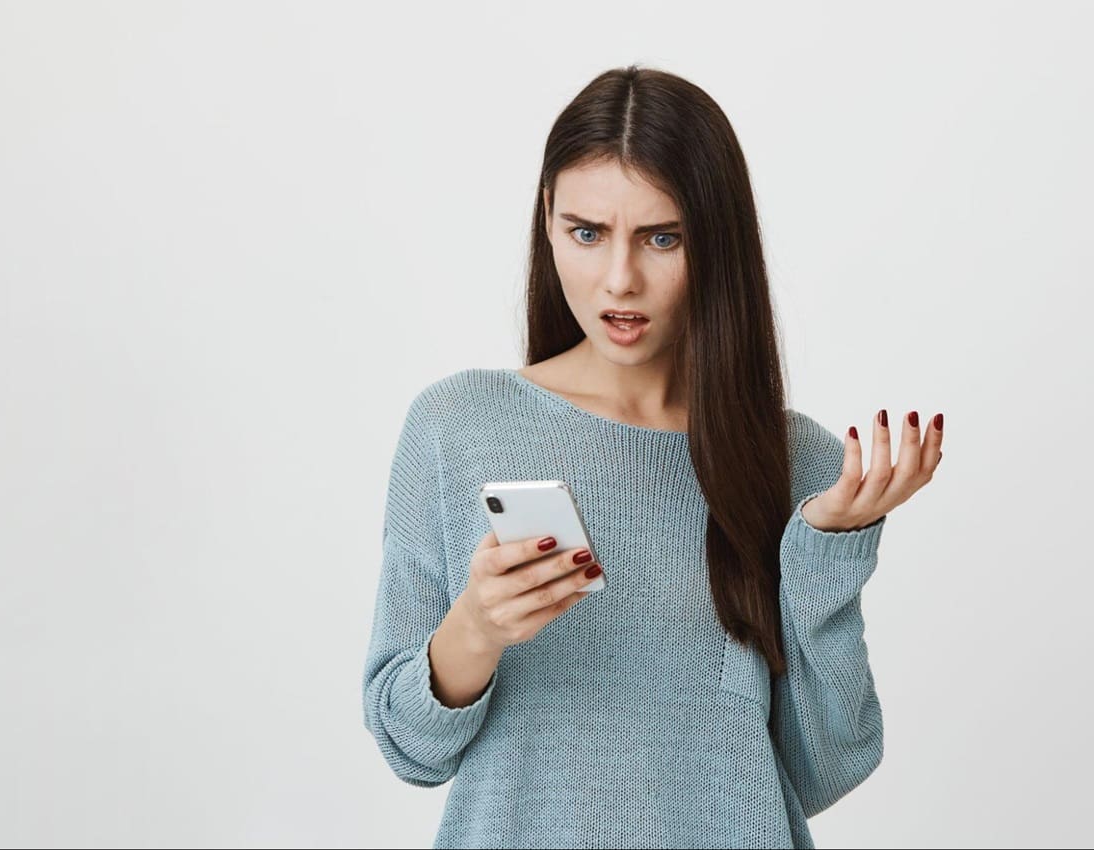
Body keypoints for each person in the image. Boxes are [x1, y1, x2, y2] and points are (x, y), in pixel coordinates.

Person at [360, 64, 944, 850]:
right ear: (547, 219)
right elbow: (408, 748)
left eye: (662, 237)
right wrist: (476, 628)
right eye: (587, 233)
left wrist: (829, 551)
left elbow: (823, 769)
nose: (619, 279)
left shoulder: (797, 462)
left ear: (715, 239)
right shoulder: (458, 425)